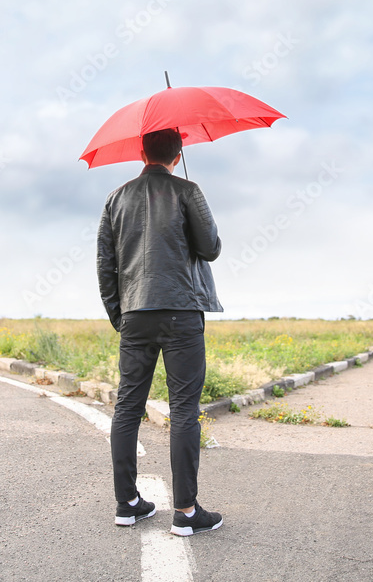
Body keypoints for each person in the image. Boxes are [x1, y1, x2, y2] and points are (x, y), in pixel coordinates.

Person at [96, 128, 224, 537]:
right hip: (181, 311)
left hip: (135, 312)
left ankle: (128, 504)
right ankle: (185, 512)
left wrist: (121, 315)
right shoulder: (188, 190)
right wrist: (191, 200)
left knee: (128, 406)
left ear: (141, 150)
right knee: (185, 409)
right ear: (179, 150)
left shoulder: (116, 198)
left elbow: (105, 264)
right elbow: (211, 247)